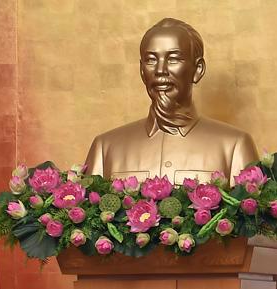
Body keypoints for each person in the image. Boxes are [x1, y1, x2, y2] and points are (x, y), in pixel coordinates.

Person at [84, 18, 258, 184]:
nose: (160, 70)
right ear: (142, 71)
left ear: (197, 70)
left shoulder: (235, 146)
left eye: (173, 59)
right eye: (151, 60)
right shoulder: (105, 148)